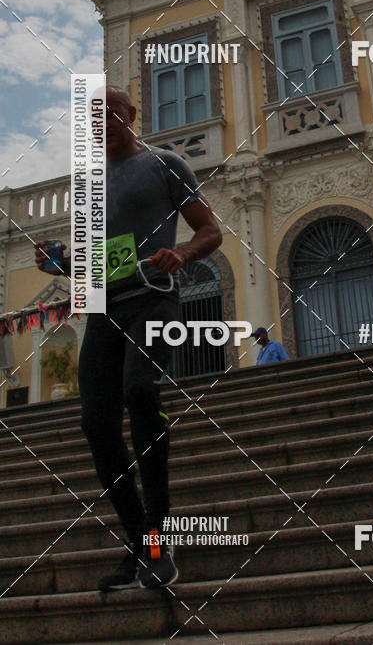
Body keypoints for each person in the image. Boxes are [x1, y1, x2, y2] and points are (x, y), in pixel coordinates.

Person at [35, 86, 222, 591]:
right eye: (95, 117)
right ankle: (139, 541)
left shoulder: (165, 164)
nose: (105, 122)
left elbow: (210, 231)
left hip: (154, 297)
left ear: (131, 115)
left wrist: (181, 254)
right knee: (95, 424)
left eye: (113, 113)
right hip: (103, 307)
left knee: (141, 393)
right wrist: (62, 260)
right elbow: (94, 261)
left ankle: (161, 541)